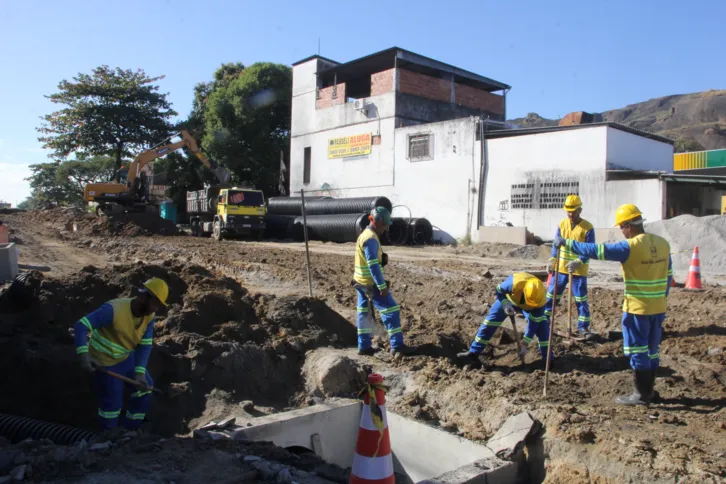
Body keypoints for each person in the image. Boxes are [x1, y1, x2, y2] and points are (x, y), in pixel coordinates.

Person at [554, 204, 672, 405]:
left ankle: (641, 395)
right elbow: (669, 277)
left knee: (637, 350)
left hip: (637, 309)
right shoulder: (662, 244)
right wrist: (660, 299)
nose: (622, 232)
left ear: (627, 225)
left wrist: (566, 243)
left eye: (622, 228)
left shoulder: (630, 247)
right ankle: (649, 391)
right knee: (652, 350)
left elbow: (597, 250)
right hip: (658, 308)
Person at [75, 277, 169, 430]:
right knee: (112, 405)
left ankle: (129, 433)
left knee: (145, 389)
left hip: (125, 358)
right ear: (145, 296)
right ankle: (107, 440)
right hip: (105, 362)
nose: (156, 309)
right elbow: (81, 326)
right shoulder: (114, 310)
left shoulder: (149, 316)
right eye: (155, 303)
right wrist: (84, 355)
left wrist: (139, 373)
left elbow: (144, 345)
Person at [458, 272, 553, 367]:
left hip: (530, 310)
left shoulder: (540, 302)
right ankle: (473, 354)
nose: (529, 305)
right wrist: (505, 303)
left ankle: (547, 360)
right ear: (524, 290)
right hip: (509, 300)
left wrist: (524, 345)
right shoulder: (514, 283)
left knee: (543, 328)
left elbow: (533, 325)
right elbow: (499, 290)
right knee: (489, 323)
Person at [353, 207, 411, 356]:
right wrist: (381, 286)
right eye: (385, 225)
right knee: (391, 310)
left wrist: (381, 260)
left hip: (360, 282)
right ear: (378, 221)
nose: (386, 229)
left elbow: (370, 261)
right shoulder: (371, 239)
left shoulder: (365, 235)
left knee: (363, 313)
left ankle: (364, 346)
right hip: (371, 284)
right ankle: (397, 346)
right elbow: (372, 265)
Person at [546, 195, 596, 338]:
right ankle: (544, 322)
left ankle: (583, 328)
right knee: (551, 296)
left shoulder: (587, 228)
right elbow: (556, 245)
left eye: (573, 211)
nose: (570, 214)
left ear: (580, 210)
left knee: (580, 299)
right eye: (568, 211)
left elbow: (590, 249)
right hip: (561, 269)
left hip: (578, 270)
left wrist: (579, 261)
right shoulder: (562, 224)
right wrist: (552, 260)